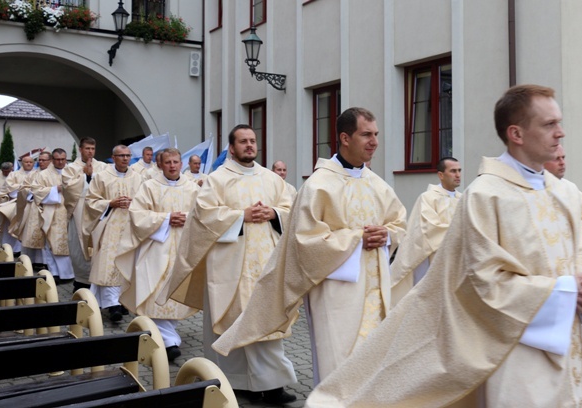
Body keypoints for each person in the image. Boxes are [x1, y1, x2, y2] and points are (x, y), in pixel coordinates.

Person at [301, 85, 582, 407]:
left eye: (558, 122)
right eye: (549, 124)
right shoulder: (487, 195)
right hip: (517, 349)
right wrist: (565, 291)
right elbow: (482, 280)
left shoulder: (565, 193)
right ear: (516, 133)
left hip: (571, 340)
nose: (560, 133)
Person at [211, 107, 407, 387]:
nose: (374, 141)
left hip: (375, 287)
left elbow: (399, 221)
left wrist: (387, 235)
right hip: (336, 287)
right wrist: (355, 239)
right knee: (337, 362)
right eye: (366, 134)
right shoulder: (319, 185)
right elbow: (305, 239)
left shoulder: (378, 184)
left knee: (374, 360)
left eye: (375, 134)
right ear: (345, 138)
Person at [159, 124, 297, 404]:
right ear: (231, 148)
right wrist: (239, 216)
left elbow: (292, 208)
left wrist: (274, 213)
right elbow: (203, 217)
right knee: (231, 322)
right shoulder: (217, 179)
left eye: (253, 141)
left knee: (265, 321)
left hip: (266, 264)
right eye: (243, 141)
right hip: (229, 266)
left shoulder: (273, 180)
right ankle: (232, 383)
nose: (249, 145)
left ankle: (271, 385)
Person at [115, 148, 199, 362]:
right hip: (156, 248)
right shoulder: (150, 187)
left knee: (176, 291)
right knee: (154, 289)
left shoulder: (192, 188)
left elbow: (202, 214)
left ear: (182, 164)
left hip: (182, 248)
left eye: (176, 161)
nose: (172, 165)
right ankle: (169, 341)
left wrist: (186, 218)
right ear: (160, 165)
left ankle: (167, 335)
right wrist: (166, 219)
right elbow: (137, 214)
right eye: (168, 162)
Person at [83, 145, 143, 322]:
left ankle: (124, 301)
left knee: (128, 264)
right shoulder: (102, 177)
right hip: (109, 226)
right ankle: (112, 305)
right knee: (109, 264)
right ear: (113, 157)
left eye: (128, 155)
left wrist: (135, 202)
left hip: (132, 226)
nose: (125, 159)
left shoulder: (138, 178)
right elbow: (90, 201)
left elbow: (145, 201)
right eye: (121, 156)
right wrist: (110, 203)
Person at [390, 157, 462, 300]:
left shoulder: (463, 199)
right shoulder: (428, 198)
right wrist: (459, 233)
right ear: (441, 175)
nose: (458, 175)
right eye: (453, 171)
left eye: (459, 170)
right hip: (433, 258)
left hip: (457, 258)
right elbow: (429, 228)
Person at [62, 137, 109, 292]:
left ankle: (100, 282)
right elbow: (68, 188)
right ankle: (82, 281)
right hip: (80, 210)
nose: (90, 152)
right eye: (87, 148)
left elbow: (108, 185)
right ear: (80, 149)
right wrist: (85, 176)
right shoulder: (70, 168)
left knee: (99, 245)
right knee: (78, 246)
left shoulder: (103, 167)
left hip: (99, 212)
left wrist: (93, 176)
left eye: (93, 149)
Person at [30, 149, 75, 282]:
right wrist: (56, 189)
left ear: (66, 159)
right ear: (52, 160)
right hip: (52, 213)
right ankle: (54, 272)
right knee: (51, 243)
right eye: (57, 159)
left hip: (70, 212)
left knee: (67, 244)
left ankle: (67, 274)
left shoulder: (72, 172)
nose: (60, 162)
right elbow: (36, 191)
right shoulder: (43, 175)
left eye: (63, 159)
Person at [544, 144, 582, 239]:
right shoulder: (532, 190)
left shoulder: (572, 189)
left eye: (563, 158)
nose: (562, 163)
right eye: (556, 159)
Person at [0, 156, 36, 253]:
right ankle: (9, 250)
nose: (28, 164)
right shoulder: (13, 174)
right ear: (22, 163)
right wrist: (24, 189)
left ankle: (25, 251)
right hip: (15, 204)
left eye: (30, 162)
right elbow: (9, 187)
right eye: (26, 162)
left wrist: (27, 190)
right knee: (12, 226)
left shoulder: (38, 174)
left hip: (31, 204)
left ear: (33, 163)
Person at [16, 152, 52, 264]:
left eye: (43, 160)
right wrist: (30, 192)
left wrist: (41, 193)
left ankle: (45, 262)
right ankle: (31, 261)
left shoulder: (54, 174)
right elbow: (23, 189)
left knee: (48, 236)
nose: (40, 162)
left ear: (50, 161)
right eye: (39, 160)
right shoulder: (32, 174)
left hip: (50, 207)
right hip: (34, 208)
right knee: (33, 235)